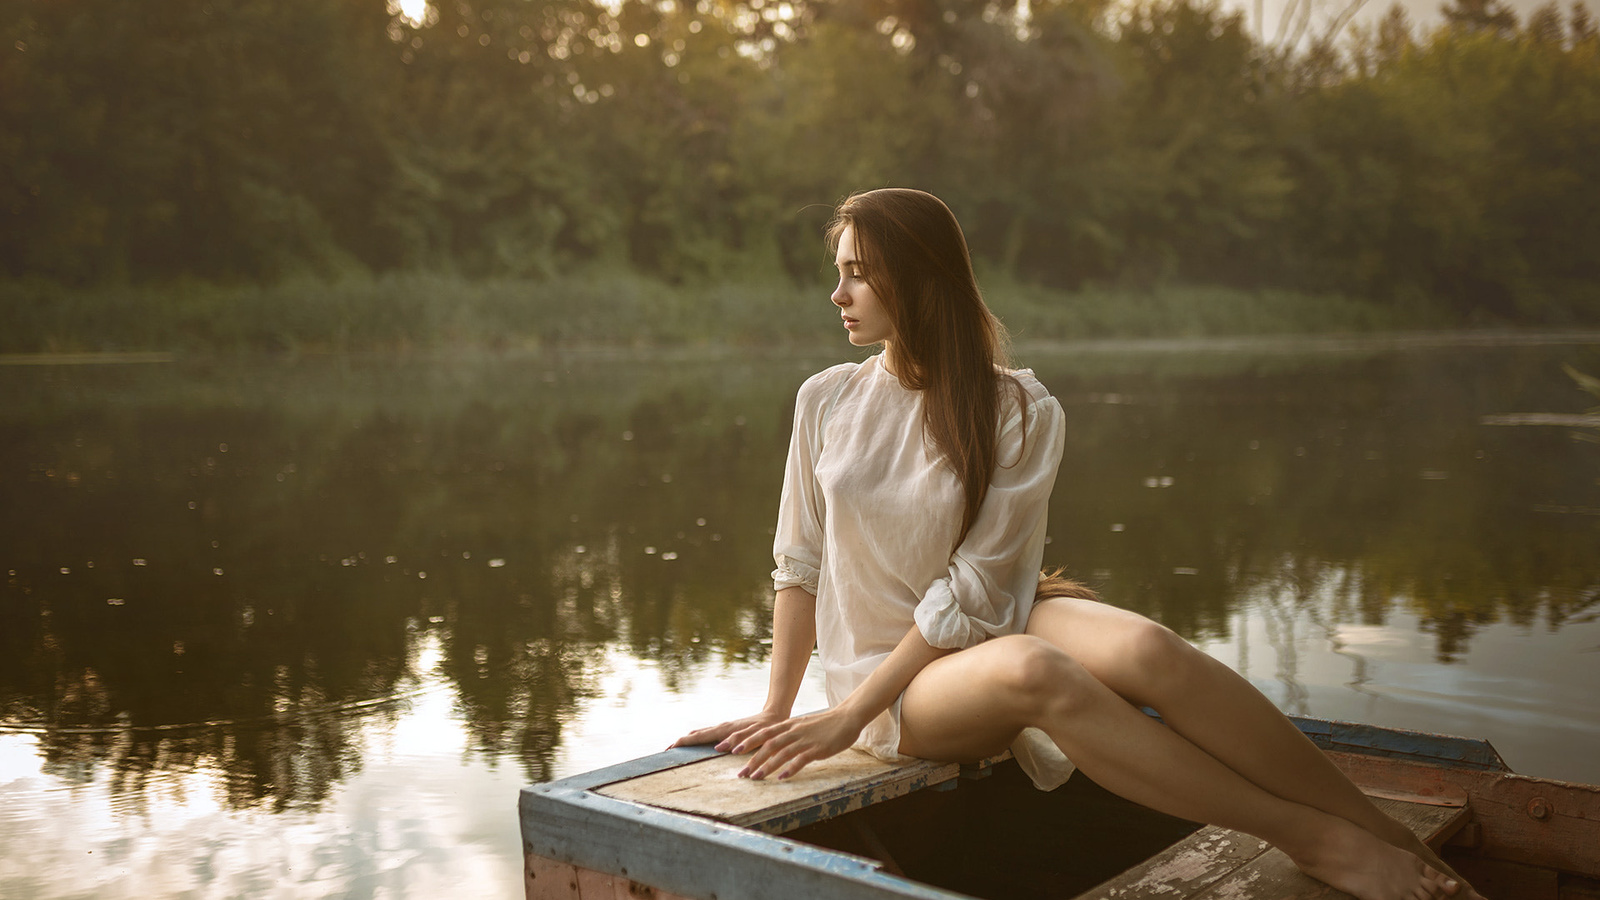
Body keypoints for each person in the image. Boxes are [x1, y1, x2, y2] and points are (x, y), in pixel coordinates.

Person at [672, 188, 1479, 900]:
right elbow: (799, 565)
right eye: (840, 269)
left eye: (857, 272)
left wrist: (846, 711)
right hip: (893, 683)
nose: (837, 292)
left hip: (985, 620)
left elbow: (979, 588)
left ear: (917, 277)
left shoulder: (1017, 409)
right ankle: (1309, 836)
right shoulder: (826, 401)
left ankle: (1382, 828)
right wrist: (800, 710)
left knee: (1153, 650)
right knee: (1037, 671)